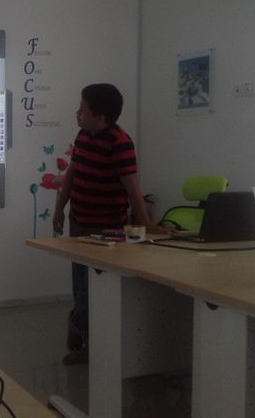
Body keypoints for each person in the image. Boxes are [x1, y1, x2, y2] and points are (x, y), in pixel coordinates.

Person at [52, 83, 163, 365]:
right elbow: (71, 174)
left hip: (107, 229)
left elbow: (132, 187)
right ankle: (83, 335)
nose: (77, 112)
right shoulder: (82, 135)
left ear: (100, 117)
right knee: (81, 285)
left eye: (83, 109)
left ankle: (83, 334)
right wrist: (59, 208)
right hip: (78, 223)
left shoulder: (120, 142)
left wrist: (146, 223)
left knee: (96, 290)